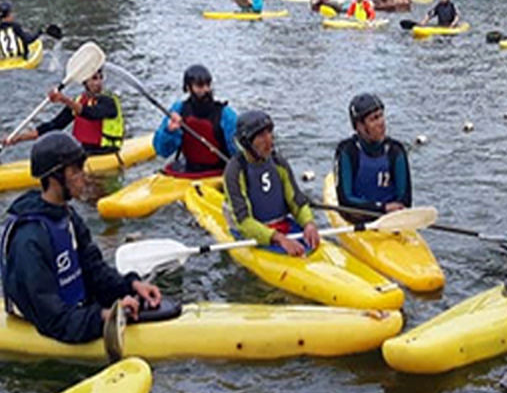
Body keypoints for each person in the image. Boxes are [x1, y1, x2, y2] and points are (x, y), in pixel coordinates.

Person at [0, 132, 163, 344]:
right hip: (54, 323)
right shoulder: (29, 239)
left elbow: (94, 270)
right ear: (54, 177)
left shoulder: (67, 216)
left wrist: (130, 286)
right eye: (76, 171)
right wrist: (102, 318)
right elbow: (52, 319)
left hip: (76, 310)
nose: (84, 177)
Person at [223, 111, 322, 258]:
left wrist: (309, 223)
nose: (269, 140)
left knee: (311, 241)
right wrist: (279, 238)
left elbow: (297, 201)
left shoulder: (278, 163)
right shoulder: (235, 171)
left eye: (269, 133)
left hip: (281, 225)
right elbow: (244, 221)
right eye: (261, 136)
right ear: (247, 142)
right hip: (250, 233)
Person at [2, 44, 124, 155]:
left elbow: (91, 113)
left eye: (100, 78)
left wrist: (63, 99)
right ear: (85, 82)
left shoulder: (109, 101)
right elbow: (54, 125)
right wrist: (18, 138)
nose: (98, 83)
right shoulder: (79, 100)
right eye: (94, 79)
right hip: (83, 151)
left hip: (106, 152)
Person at [333, 94, 412, 222]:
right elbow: (345, 201)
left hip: (390, 221)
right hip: (358, 218)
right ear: (359, 126)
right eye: (374, 119)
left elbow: (406, 200)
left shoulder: (396, 150)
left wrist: (393, 211)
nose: (381, 123)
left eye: (381, 116)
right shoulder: (347, 151)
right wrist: (382, 208)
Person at [153, 64, 238, 175]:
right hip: (189, 172)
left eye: (208, 84)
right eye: (200, 86)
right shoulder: (179, 110)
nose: (206, 90)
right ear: (188, 88)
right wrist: (169, 132)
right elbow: (162, 151)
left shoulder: (225, 114)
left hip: (218, 173)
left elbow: (238, 152)